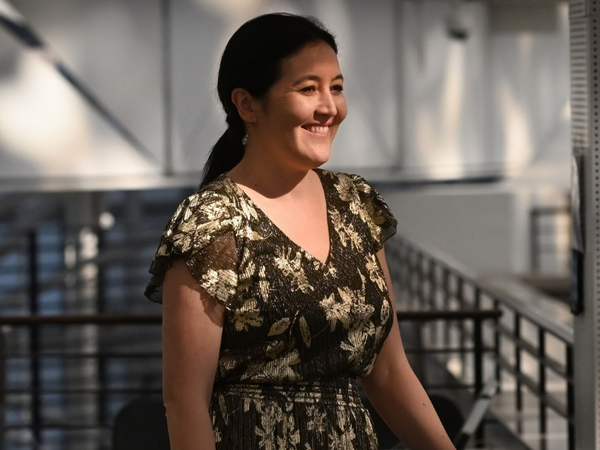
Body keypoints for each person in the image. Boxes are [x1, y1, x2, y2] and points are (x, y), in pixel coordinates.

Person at [145, 12, 455, 450]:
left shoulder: (354, 203)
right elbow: (184, 400)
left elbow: (388, 371)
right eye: (308, 89)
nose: (329, 107)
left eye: (336, 87)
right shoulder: (212, 221)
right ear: (247, 104)